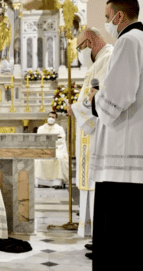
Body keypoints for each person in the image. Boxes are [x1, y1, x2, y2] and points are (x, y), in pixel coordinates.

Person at [87, 0, 143, 270]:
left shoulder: (129, 41)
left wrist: (95, 99)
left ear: (119, 16)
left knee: (119, 229)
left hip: (124, 150)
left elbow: (119, 96)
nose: (108, 23)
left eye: (108, 18)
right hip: (135, 144)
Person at [68, 28, 113, 244]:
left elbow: (100, 94)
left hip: (99, 132)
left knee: (96, 183)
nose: (80, 52)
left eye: (81, 46)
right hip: (91, 133)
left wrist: (76, 109)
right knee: (89, 183)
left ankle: (100, 236)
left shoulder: (108, 57)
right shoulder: (98, 62)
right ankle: (94, 234)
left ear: (91, 40)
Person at [34, 112, 69, 189]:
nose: (51, 118)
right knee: (39, 160)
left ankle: (56, 182)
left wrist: (51, 143)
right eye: (50, 117)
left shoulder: (59, 129)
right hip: (44, 149)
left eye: (53, 117)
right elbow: (38, 140)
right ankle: (41, 182)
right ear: (47, 118)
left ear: (55, 119)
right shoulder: (41, 128)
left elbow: (61, 141)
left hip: (56, 149)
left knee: (59, 159)